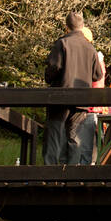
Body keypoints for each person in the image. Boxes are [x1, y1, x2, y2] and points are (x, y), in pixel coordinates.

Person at [45, 11, 105, 165]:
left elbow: (54, 67)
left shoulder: (62, 43)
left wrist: (48, 77)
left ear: (66, 27)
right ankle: (71, 172)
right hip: (81, 99)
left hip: (61, 96)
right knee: (75, 137)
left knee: (55, 134)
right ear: (82, 26)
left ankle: (50, 170)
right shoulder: (89, 47)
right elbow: (97, 75)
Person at [76, 26, 107, 165]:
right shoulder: (95, 57)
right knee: (89, 150)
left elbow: (97, 84)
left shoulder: (91, 58)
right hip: (92, 108)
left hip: (89, 109)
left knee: (85, 150)